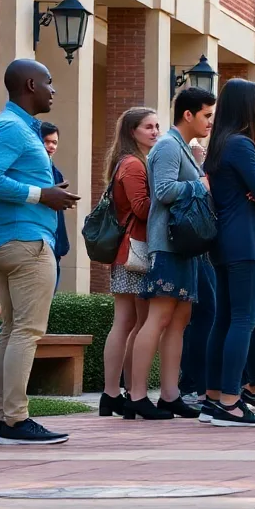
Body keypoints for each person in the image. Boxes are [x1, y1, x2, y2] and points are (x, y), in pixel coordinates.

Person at [0, 60, 79, 445]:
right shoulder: (12, 127)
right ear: (31, 84)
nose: (54, 90)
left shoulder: (16, 127)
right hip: (25, 242)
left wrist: (46, 193)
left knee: (11, 332)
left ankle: (4, 418)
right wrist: (42, 194)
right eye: (49, 83)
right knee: (27, 332)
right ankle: (16, 420)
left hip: (13, 239)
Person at [200, 79, 255, 427]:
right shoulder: (241, 145)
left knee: (224, 320)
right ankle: (230, 402)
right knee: (243, 320)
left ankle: (213, 399)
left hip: (228, 241)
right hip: (246, 242)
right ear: (247, 107)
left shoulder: (221, 144)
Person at [125, 88, 216, 421]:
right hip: (167, 243)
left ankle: (170, 395)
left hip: (186, 246)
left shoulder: (183, 149)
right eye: (206, 115)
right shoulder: (167, 146)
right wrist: (200, 186)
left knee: (180, 320)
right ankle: (136, 395)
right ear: (189, 114)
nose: (210, 122)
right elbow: (162, 192)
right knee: (159, 318)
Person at [96, 107, 161, 419]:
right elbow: (143, 208)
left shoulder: (129, 161)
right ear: (132, 131)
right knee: (132, 322)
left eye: (157, 126)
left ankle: (112, 394)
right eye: (148, 127)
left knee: (127, 322)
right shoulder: (134, 164)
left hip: (126, 251)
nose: (155, 132)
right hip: (135, 251)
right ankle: (125, 391)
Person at [39, 123, 70, 286]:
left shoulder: (56, 172)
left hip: (54, 244)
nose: (51, 146)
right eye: (46, 141)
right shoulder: (32, 171)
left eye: (55, 142)